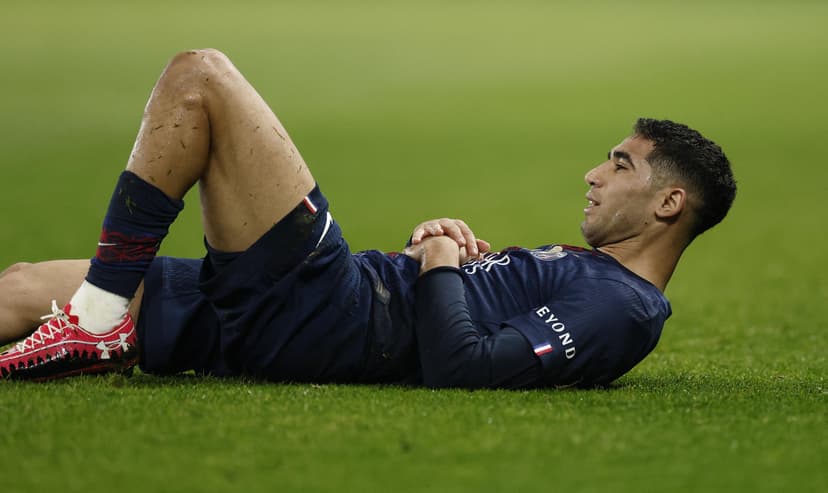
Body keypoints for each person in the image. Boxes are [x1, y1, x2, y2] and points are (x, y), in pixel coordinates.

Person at [0, 49, 736, 388]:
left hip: (327, 310)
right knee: (21, 286)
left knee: (201, 78)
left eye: (620, 165)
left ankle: (98, 322)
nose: (594, 174)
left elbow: (464, 366)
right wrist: (437, 249)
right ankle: (98, 317)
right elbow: (462, 312)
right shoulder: (596, 273)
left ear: (670, 203)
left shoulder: (625, 307)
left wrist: (441, 268)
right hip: (312, 309)